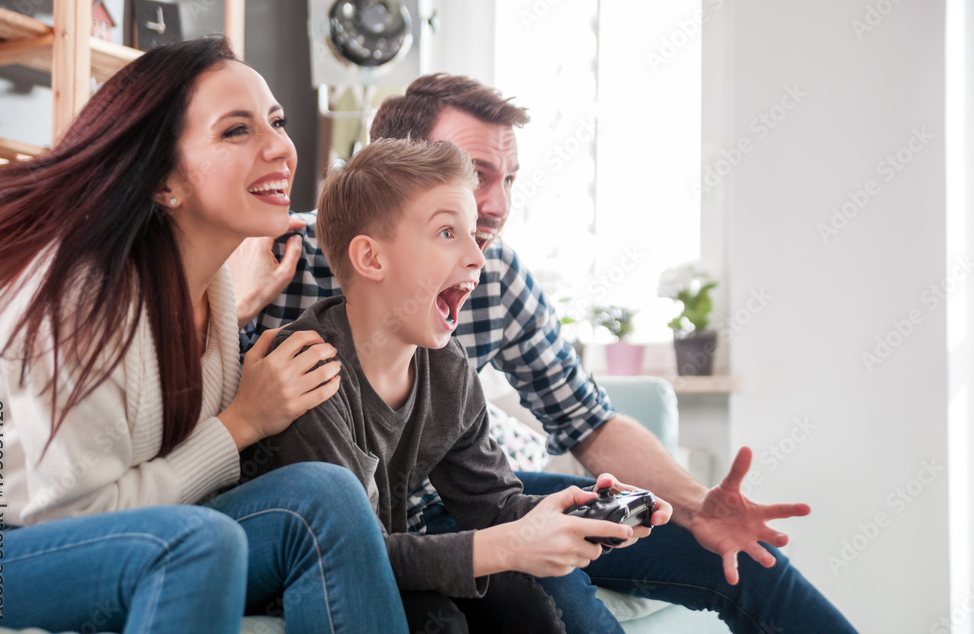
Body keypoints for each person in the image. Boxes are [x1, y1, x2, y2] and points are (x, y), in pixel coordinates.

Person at [234, 73, 858, 633]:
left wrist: (693, 506)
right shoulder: (273, 263)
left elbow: (584, 422)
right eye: (475, 175)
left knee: (747, 559)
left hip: (460, 502)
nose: (498, 206)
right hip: (362, 525)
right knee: (551, 599)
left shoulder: (488, 280)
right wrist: (233, 297)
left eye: (508, 180)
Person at [0, 36, 407, 633]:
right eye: (236, 131)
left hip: (121, 539)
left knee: (326, 495)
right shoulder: (83, 298)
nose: (280, 147)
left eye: (275, 121)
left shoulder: (216, 293)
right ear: (163, 182)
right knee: (200, 541)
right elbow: (71, 523)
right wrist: (241, 424)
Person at [242, 137, 672, 633]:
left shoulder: (447, 367)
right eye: (447, 232)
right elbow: (354, 550)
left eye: (472, 234)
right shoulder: (307, 369)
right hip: (308, 571)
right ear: (371, 258)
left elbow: (493, 505)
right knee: (440, 622)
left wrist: (575, 511)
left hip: (383, 555)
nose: (477, 257)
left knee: (530, 608)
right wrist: (512, 544)